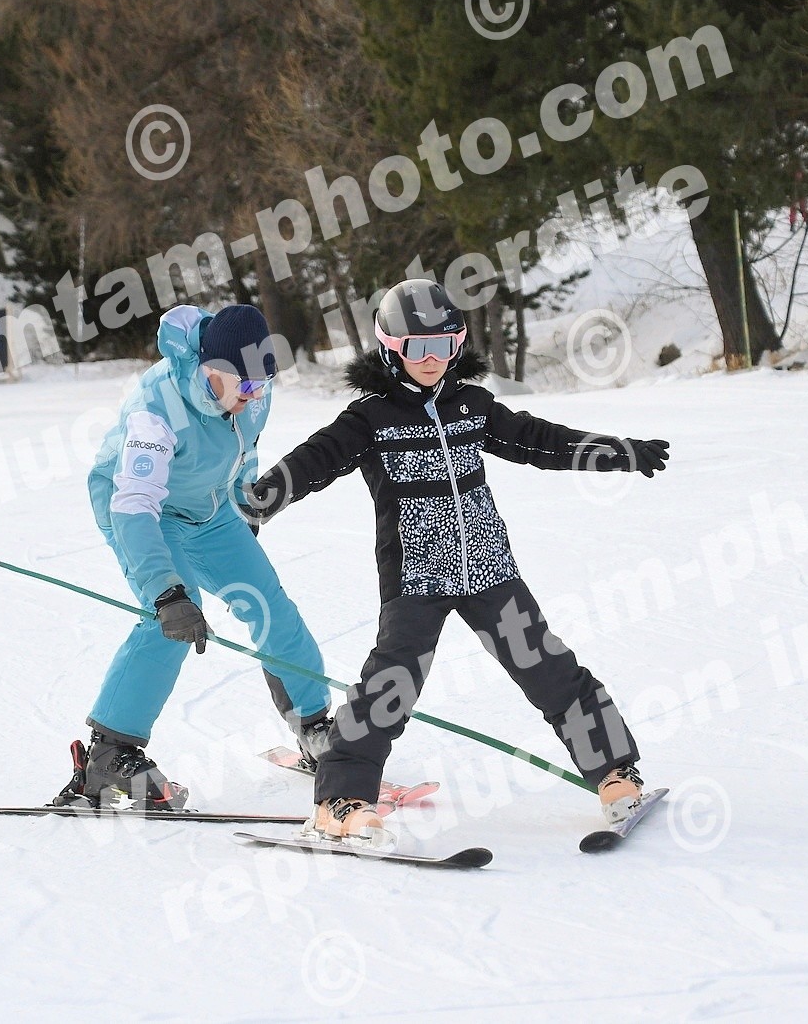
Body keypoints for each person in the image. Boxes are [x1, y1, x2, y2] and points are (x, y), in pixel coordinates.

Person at [246, 279, 669, 843]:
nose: (432, 360)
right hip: (417, 577)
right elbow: (313, 461)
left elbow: (536, 439)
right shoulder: (370, 417)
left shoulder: (470, 405)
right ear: (390, 347)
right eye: (418, 348)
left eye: (445, 346)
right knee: (391, 685)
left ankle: (615, 772)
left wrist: (614, 452)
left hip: (489, 568)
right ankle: (341, 800)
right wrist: (260, 500)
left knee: (549, 668)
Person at [52, 303, 335, 810]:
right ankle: (109, 753)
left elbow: (244, 448)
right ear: (211, 369)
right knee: (174, 617)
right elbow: (135, 503)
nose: (254, 395)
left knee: (268, 603)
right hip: (143, 509)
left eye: (263, 384)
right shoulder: (157, 409)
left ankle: (314, 726)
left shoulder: (253, 390)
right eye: (244, 385)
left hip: (211, 506)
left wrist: (244, 500)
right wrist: (166, 591)